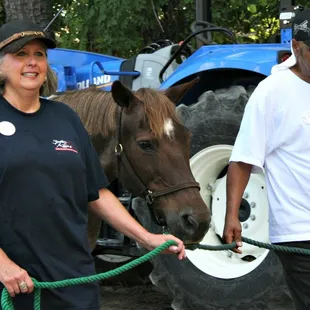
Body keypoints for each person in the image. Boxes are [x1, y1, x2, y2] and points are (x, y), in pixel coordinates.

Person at [0, 19, 186, 310]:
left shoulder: (65, 118)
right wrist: (2, 265)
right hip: (15, 282)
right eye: (21, 54)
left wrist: (147, 237)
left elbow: (95, 192)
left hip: (73, 280)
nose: (32, 62)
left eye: (39, 54)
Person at [223, 9, 310, 310]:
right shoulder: (272, 92)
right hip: (300, 231)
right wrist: (231, 215)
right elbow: (243, 159)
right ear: (297, 48)